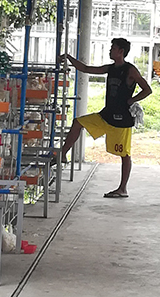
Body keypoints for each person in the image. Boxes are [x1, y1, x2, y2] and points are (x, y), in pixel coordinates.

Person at [60, 37, 152, 198]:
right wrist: (68, 57)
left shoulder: (130, 70)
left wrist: (132, 100)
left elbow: (147, 89)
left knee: (125, 154)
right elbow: (86, 68)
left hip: (122, 120)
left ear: (121, 52)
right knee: (77, 123)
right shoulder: (111, 68)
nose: (110, 50)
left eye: (113, 48)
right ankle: (62, 154)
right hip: (106, 114)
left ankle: (122, 188)